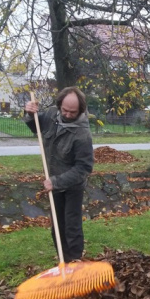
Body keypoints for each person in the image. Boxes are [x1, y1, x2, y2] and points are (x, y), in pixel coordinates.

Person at [23, 87, 94, 262]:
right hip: (53, 182)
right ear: (59, 105)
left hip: (72, 186)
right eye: (65, 110)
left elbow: (84, 168)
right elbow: (36, 126)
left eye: (72, 112)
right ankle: (64, 262)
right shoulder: (51, 115)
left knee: (72, 227)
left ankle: (75, 263)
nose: (68, 115)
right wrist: (29, 113)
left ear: (80, 110)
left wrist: (56, 182)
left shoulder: (82, 134)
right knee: (57, 227)